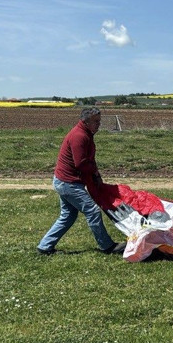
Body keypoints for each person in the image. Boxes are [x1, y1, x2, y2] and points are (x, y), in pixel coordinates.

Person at [37, 107, 125, 255]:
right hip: (68, 183)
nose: (98, 124)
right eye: (96, 121)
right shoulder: (79, 136)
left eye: (99, 121)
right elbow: (81, 163)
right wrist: (94, 173)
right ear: (86, 121)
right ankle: (107, 246)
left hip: (64, 181)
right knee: (93, 211)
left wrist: (96, 175)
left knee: (68, 216)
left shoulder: (86, 134)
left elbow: (89, 159)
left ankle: (44, 247)